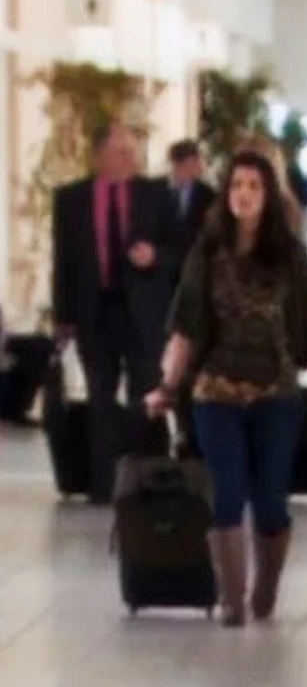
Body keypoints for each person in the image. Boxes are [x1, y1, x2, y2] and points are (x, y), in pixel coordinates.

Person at [143, 151, 307, 626]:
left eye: (253, 186)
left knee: (270, 500)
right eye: (236, 185)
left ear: (268, 196)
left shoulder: (290, 256)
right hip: (217, 392)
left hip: (276, 394)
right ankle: (231, 595)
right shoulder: (207, 253)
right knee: (227, 493)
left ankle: (266, 584)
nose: (243, 194)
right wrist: (167, 385)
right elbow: (186, 327)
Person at [51, 121, 181, 503]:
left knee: (146, 393)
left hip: (142, 312)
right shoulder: (72, 199)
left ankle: (145, 480)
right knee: (100, 396)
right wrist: (63, 317)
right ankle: (103, 484)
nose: (128, 159)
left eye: (131, 152)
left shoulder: (156, 194)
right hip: (94, 311)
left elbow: (181, 250)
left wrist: (154, 256)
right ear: (99, 156)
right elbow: (64, 261)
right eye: (119, 152)